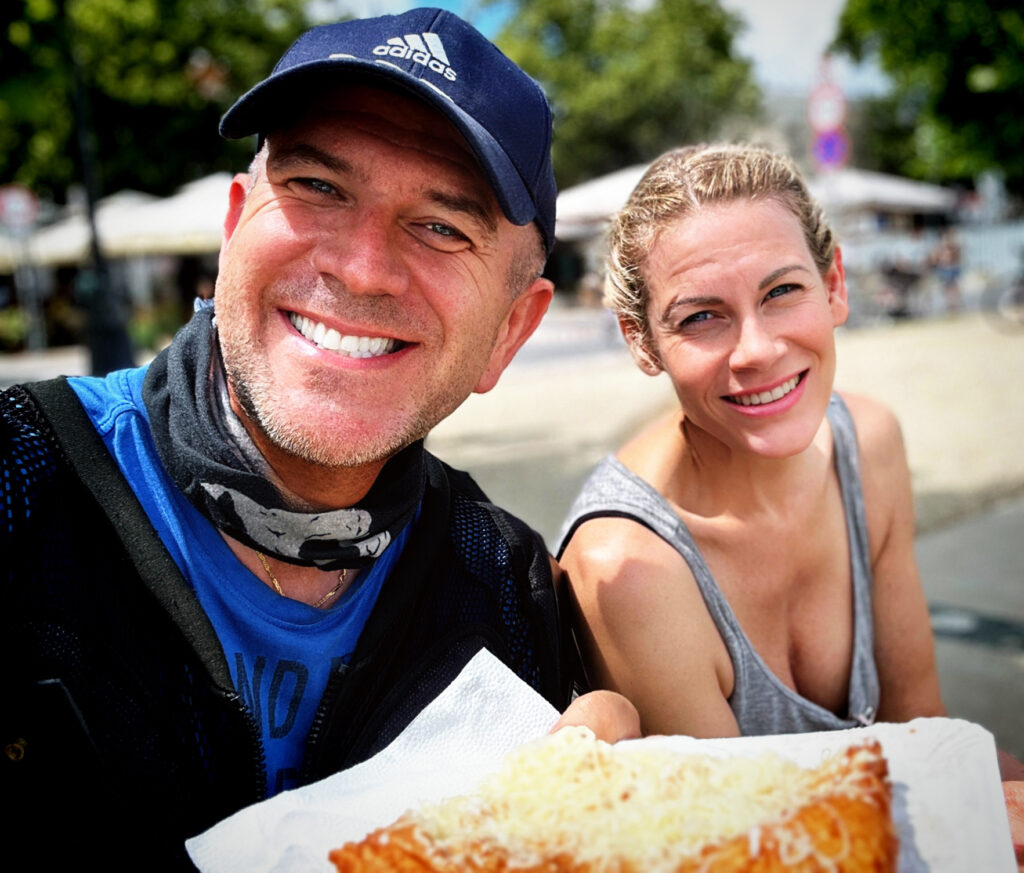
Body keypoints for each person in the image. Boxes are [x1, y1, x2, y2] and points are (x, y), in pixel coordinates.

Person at [1, 10, 637, 870]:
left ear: (510, 333)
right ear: (233, 229)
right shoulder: (18, 483)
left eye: (443, 227)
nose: (362, 266)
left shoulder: (507, 588)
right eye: (318, 186)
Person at [556, 144, 1024, 832]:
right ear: (641, 340)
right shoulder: (629, 567)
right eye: (700, 317)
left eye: (781, 292)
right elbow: (743, 842)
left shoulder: (870, 444)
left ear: (834, 284)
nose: (758, 349)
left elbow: (925, 730)